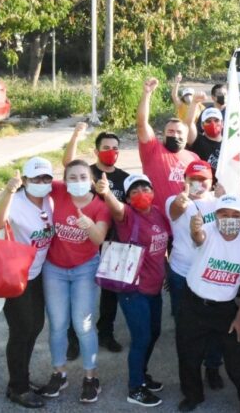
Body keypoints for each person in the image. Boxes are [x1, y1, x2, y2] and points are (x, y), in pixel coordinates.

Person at [176, 194, 240, 412]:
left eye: (235, 215)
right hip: (193, 304)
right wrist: (195, 230)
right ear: (216, 216)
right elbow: (199, 237)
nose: (229, 219)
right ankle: (193, 396)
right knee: (188, 354)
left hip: (225, 310)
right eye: (224, 214)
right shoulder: (209, 229)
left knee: (238, 358)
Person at [38, 159, 110, 403]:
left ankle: (91, 377)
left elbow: (99, 238)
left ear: (91, 180)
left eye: (82, 177)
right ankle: (59, 373)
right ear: (65, 180)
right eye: (72, 177)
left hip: (84, 269)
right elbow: (38, 184)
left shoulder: (100, 206)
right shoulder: (59, 191)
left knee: (83, 324)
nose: (77, 182)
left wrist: (89, 225)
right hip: (54, 268)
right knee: (58, 324)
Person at [96, 173, 170, 407]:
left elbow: (164, 247)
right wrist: (106, 193)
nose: (141, 194)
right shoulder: (127, 215)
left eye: (145, 189)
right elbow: (116, 208)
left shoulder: (158, 213)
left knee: (154, 332)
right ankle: (135, 387)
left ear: (153, 192)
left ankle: (142, 374)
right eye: (134, 191)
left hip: (154, 287)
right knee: (142, 337)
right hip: (133, 288)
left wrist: (166, 271)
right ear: (128, 198)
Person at [0, 157, 54, 408]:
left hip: (37, 273)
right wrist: (8, 191)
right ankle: (18, 388)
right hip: (14, 275)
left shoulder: (50, 201)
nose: (41, 182)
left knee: (35, 326)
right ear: (25, 180)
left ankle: (21, 378)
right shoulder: (16, 202)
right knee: (21, 331)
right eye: (35, 178)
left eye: (46, 178)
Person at [64, 123, 127, 356]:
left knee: (110, 294)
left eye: (115, 148)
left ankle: (106, 333)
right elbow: (67, 165)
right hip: (85, 241)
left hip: (114, 244)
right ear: (97, 151)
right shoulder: (86, 174)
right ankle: (73, 338)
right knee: (79, 292)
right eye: (106, 147)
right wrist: (76, 135)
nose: (111, 151)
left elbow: (128, 212)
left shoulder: (124, 178)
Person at [165, 160, 223, 389]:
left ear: (211, 181)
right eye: (193, 180)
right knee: (186, 328)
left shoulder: (218, 202)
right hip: (182, 273)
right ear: (185, 181)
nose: (198, 184)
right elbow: (174, 211)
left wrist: (224, 199)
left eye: (203, 180)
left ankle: (213, 367)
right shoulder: (176, 200)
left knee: (214, 325)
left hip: (211, 274)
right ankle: (190, 374)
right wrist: (182, 201)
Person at [137, 77, 200, 213]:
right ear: (163, 135)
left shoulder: (194, 158)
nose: (175, 135)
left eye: (179, 132)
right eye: (170, 131)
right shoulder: (152, 150)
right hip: (158, 222)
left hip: (185, 223)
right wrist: (147, 94)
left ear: (186, 135)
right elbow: (142, 124)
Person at [186, 105, 223, 173]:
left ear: (222, 123)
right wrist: (194, 102)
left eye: (216, 120)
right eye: (208, 121)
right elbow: (189, 123)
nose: (213, 123)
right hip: (202, 182)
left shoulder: (229, 143)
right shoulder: (197, 140)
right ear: (202, 125)